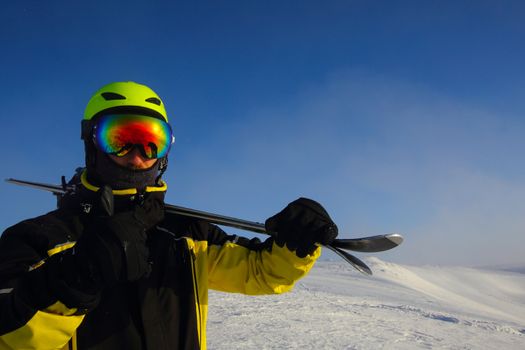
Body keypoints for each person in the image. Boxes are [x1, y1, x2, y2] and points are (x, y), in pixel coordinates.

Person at [0, 82, 338, 350]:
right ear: (91, 143)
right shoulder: (39, 238)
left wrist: (295, 245)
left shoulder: (185, 234)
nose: (137, 157)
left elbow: (261, 271)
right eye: (119, 139)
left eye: (151, 142)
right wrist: (75, 278)